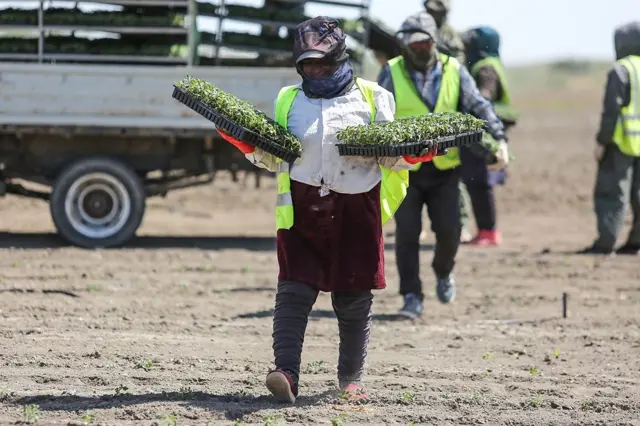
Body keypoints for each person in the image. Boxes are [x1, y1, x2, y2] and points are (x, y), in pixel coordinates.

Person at [216, 17, 438, 402]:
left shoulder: (372, 97)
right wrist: (246, 144)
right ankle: (286, 372)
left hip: (356, 209)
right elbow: (276, 156)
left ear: (338, 59)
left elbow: (390, 157)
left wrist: (413, 154)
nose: (314, 70)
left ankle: (351, 381)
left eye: (321, 63)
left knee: (353, 297)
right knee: (294, 290)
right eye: (307, 64)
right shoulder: (290, 99)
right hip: (302, 210)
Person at [377, 11, 508, 318]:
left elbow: (479, 106)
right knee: (407, 235)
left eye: (425, 43)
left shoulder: (454, 70)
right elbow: (378, 115)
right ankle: (411, 295)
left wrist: (498, 139)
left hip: (445, 169)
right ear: (405, 45)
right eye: (414, 44)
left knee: (450, 231)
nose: (420, 49)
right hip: (404, 170)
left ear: (434, 42)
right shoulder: (391, 72)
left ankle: (443, 270)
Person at [581, 21, 640, 256]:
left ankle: (606, 243)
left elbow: (611, 111)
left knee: (612, 194)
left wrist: (602, 142)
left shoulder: (621, 70)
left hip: (621, 143)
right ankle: (636, 243)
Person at [459, 26, 518, 246]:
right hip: (493, 130)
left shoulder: (485, 69)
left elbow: (483, 98)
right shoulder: (494, 64)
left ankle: (488, 232)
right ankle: (486, 230)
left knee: (479, 183)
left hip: (484, 134)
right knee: (479, 182)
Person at [423, 0, 472, 243]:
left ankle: (460, 223)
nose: (432, 13)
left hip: (447, 105)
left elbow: (459, 64)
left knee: (450, 173)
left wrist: (438, 51)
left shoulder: (449, 35)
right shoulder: (421, 28)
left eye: (436, 10)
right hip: (422, 105)